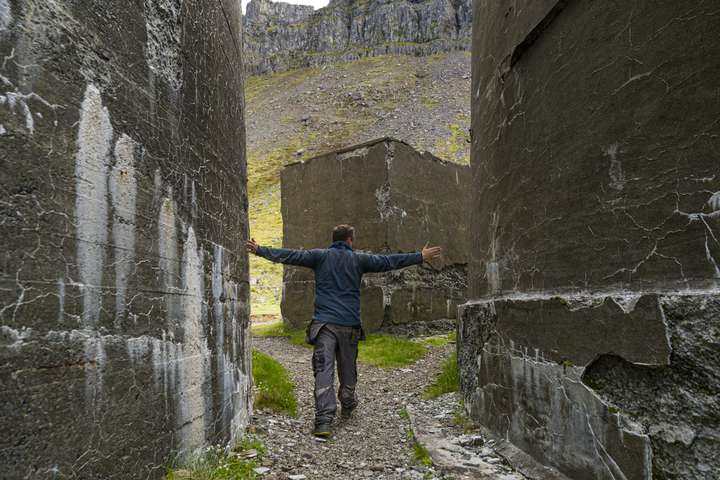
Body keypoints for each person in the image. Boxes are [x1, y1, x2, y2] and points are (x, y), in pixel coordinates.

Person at [246, 224, 442, 437]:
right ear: (350, 240)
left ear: (334, 239)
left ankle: (323, 422)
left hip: (324, 326)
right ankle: (347, 401)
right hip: (349, 326)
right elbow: (388, 262)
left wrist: (260, 250)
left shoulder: (319, 256)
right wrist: (419, 256)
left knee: (323, 371)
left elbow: (292, 255)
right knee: (348, 370)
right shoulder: (359, 259)